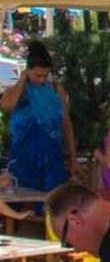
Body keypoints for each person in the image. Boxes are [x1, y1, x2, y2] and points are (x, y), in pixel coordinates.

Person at [2, 40, 74, 192]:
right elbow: (7, 106)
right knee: (22, 198)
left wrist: (72, 158)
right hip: (24, 158)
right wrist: (22, 80)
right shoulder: (19, 90)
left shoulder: (55, 89)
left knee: (53, 200)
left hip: (52, 157)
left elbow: (66, 124)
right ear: (28, 70)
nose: (41, 79)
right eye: (37, 75)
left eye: (45, 75)